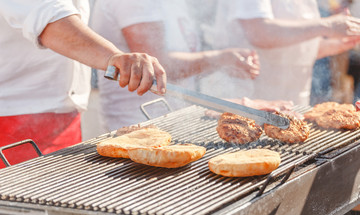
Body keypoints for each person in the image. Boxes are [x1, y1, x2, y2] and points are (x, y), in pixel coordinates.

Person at [0, 0, 167, 168]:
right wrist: (113, 57)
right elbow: (50, 19)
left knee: (63, 189)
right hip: (12, 118)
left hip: (65, 115)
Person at [90, 0, 260, 132]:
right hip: (138, 125)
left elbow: (184, 62)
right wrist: (221, 59)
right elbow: (159, 66)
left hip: (174, 119)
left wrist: (226, 62)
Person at [206, 0, 360, 106]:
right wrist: (327, 25)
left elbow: (296, 48)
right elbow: (259, 32)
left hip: (290, 105)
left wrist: (338, 44)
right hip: (246, 103)